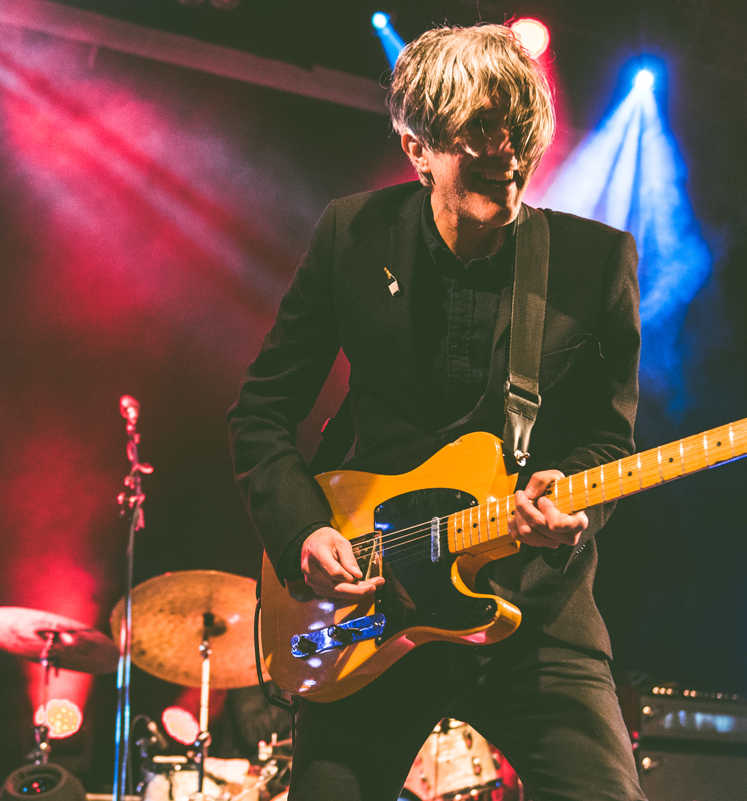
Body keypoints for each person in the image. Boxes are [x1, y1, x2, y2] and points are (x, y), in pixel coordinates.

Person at [229, 23, 645, 801]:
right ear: (417, 146)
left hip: (536, 609)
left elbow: (606, 439)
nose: (506, 151)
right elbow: (261, 409)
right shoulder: (353, 235)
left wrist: (571, 503)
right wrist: (303, 532)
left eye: (518, 131)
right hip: (372, 607)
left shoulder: (596, 262)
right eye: (478, 131)